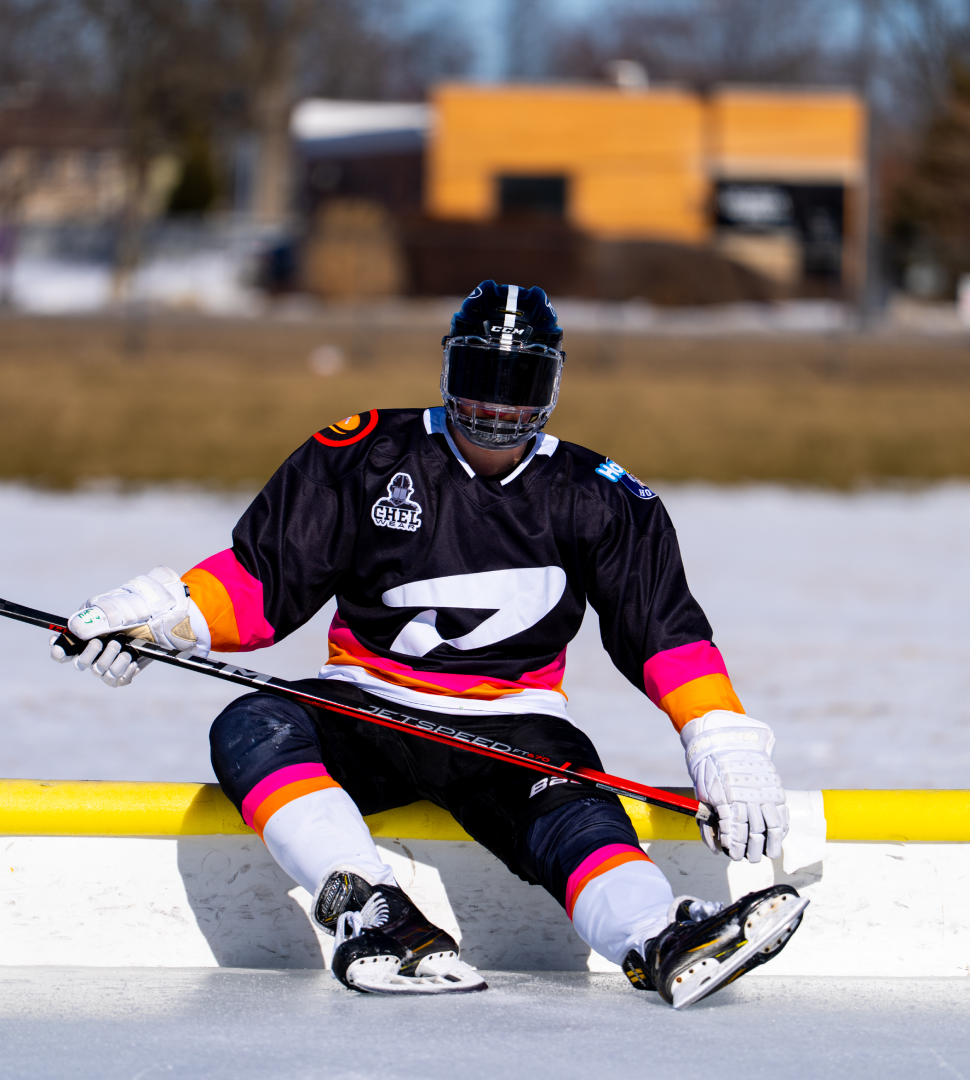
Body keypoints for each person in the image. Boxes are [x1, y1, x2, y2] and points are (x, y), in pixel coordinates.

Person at [52, 281, 806, 1008]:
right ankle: (371, 911)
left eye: (517, 383)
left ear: (552, 385)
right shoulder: (360, 455)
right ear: (448, 366)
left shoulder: (603, 496)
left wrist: (723, 742)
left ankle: (657, 936)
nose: (494, 405)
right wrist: (161, 613)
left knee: (577, 814)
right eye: (479, 375)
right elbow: (262, 584)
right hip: (368, 708)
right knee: (254, 724)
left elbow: (663, 633)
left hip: (513, 726)